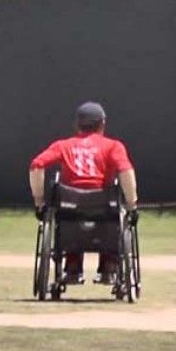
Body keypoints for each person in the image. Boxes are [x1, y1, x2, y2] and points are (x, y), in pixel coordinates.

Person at [29, 102, 138, 285]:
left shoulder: (63, 146)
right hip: (104, 206)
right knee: (111, 216)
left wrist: (39, 202)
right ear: (102, 124)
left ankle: (72, 266)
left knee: (69, 219)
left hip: (69, 206)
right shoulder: (113, 146)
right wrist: (132, 204)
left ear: (77, 124)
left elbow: (36, 165)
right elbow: (125, 171)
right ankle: (109, 266)